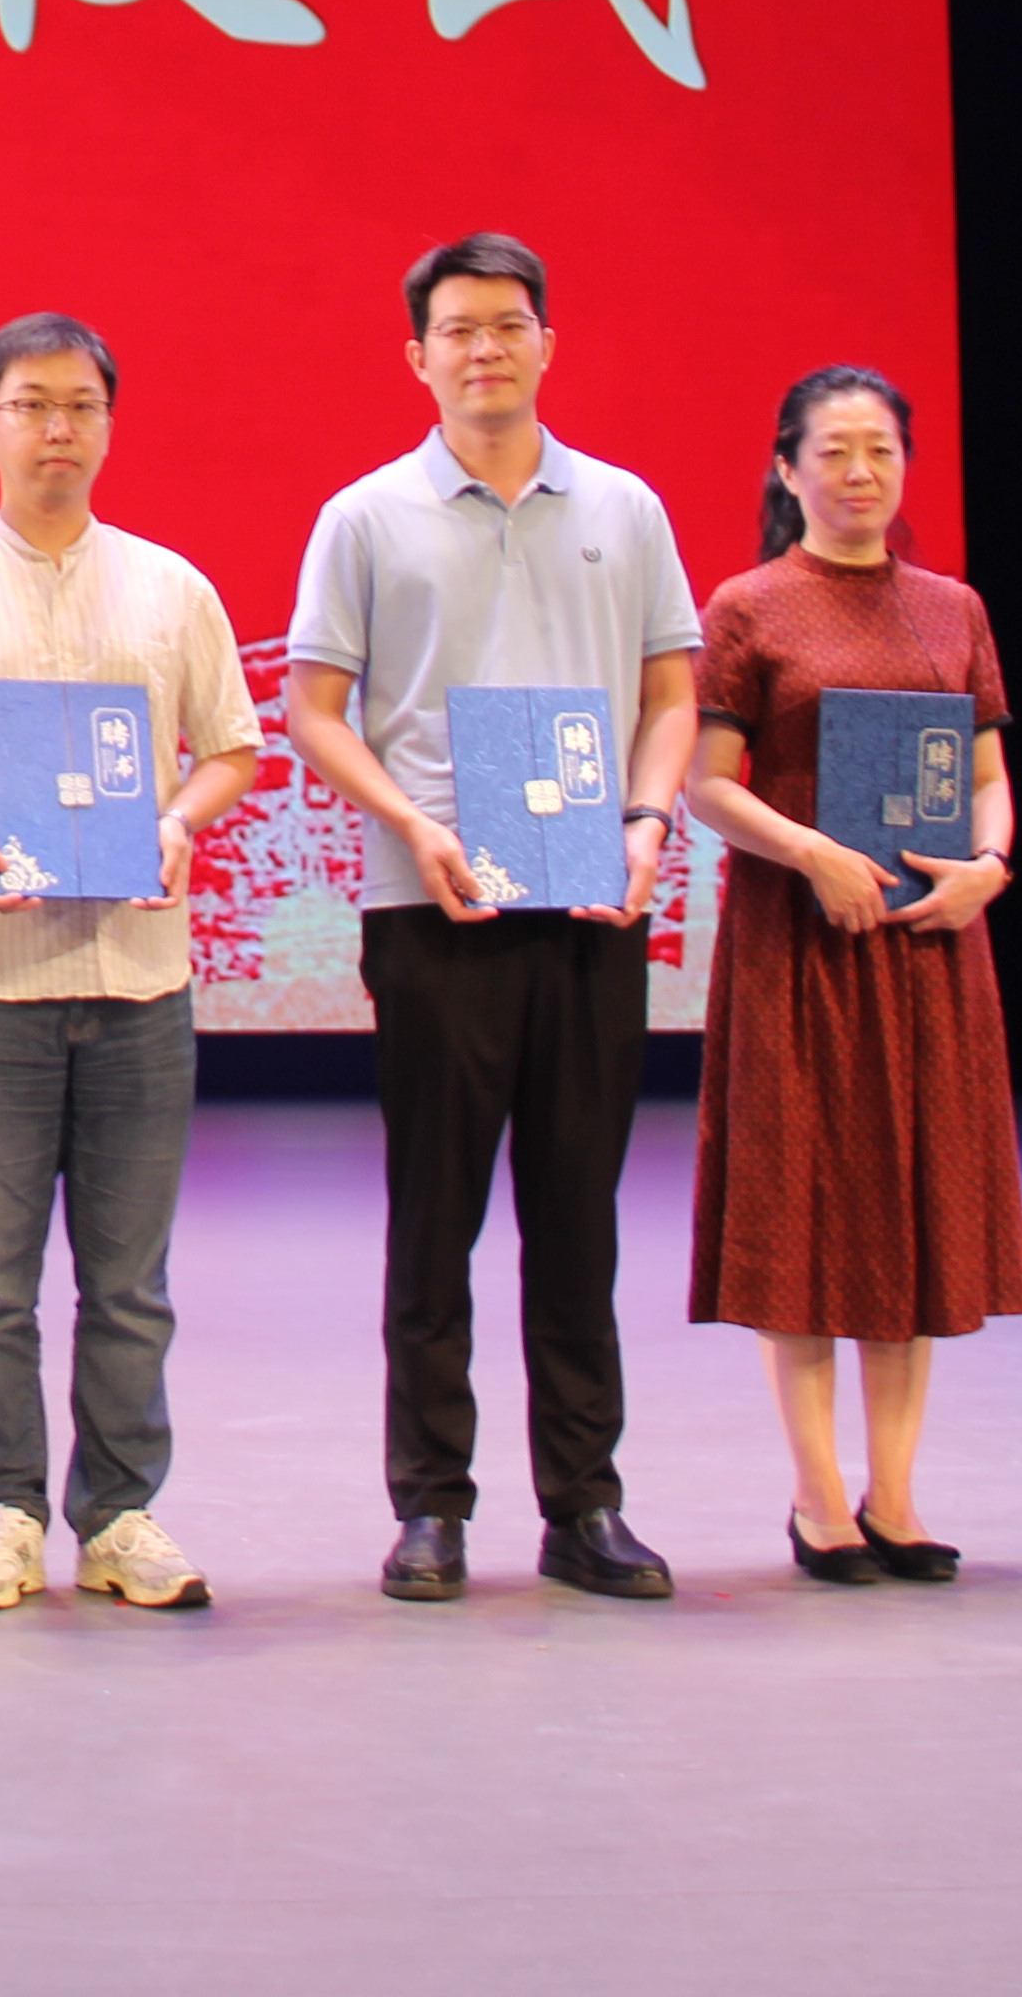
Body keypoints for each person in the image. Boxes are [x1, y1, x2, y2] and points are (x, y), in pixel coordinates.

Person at [285, 232, 702, 1605]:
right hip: (434, 908)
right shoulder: (366, 516)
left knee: (578, 1220)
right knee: (436, 1221)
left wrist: (647, 824)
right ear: (418, 356)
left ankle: (586, 1505)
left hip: (590, 902)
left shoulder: (624, 508)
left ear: (547, 343)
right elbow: (313, 711)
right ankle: (431, 1506)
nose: (485, 349)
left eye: (508, 325)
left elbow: (673, 694)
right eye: (458, 330)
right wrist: (413, 824)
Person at [0, 313, 264, 1616]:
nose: (57, 428)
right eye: (31, 405)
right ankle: (5, 1514)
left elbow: (232, 747)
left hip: (140, 978)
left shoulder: (173, 590)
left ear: (109, 426)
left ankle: (121, 1514)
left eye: (81, 405)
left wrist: (179, 822)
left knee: (130, 1283)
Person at [679, 366, 1022, 1584]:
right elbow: (707, 783)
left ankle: (898, 1494)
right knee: (804, 1207)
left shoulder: (952, 608)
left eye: (880, 449)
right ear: (788, 471)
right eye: (832, 451)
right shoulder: (748, 606)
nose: (860, 472)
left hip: (928, 943)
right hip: (799, 944)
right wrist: (814, 854)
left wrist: (991, 863)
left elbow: (987, 773)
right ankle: (818, 1495)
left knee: (912, 1204)